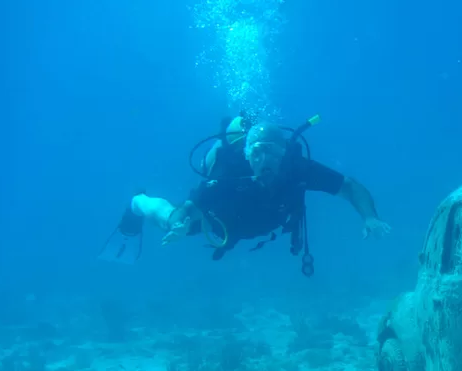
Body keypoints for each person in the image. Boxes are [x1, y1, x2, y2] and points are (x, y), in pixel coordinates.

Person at [100, 114, 391, 275]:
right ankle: (138, 202)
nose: (263, 159)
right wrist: (180, 224)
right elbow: (190, 208)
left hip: (263, 220)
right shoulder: (229, 172)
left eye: (272, 151)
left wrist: (370, 218)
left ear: (285, 152)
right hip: (220, 223)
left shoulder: (297, 168)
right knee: (167, 219)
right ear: (246, 154)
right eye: (255, 151)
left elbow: (349, 186)